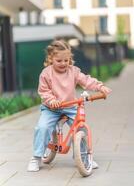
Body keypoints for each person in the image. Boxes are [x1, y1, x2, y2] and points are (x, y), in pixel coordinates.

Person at [27, 40, 111, 172]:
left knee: (80, 129)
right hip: (51, 108)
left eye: (66, 60)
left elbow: (86, 80)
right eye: (59, 61)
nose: (63, 63)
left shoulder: (74, 71)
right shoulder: (46, 73)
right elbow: (44, 91)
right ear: (51, 59)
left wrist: (100, 86)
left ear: (70, 59)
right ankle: (36, 157)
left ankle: (83, 157)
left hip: (71, 106)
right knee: (42, 127)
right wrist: (51, 100)